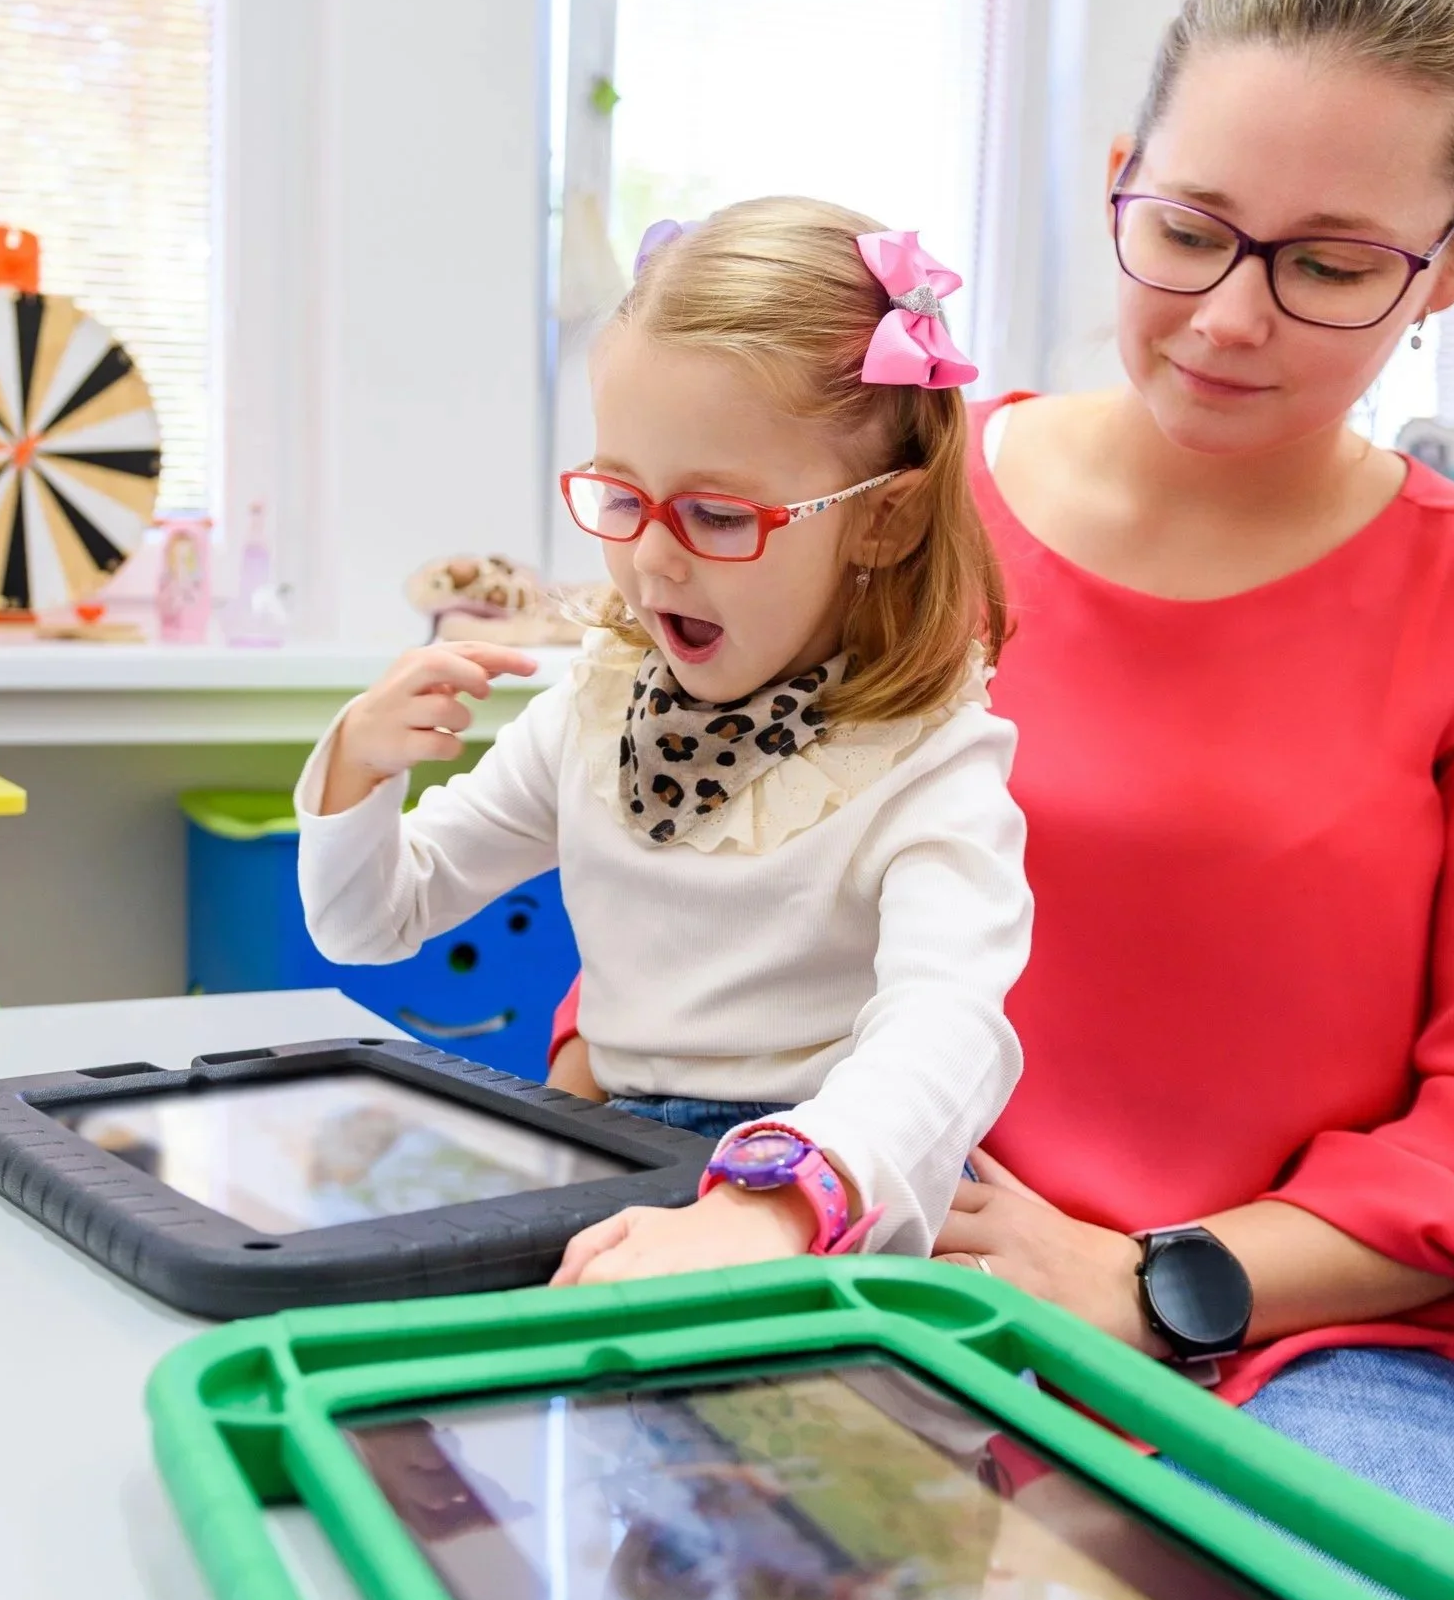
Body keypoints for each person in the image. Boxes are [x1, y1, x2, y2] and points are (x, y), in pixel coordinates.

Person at [546, 0, 1454, 1570]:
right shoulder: (898, 510)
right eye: (1189, 228)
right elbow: (695, 828)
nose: (1225, 316)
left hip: (1304, 1336)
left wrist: (1152, 1276)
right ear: (1116, 177)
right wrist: (622, 1064)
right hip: (842, 1235)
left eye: (1329, 265)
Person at [297, 197, 1030, 1264]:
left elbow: (944, 1035)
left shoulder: (930, 765)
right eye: (619, 496)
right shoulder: (597, 712)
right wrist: (359, 767)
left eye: (719, 516)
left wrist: (779, 1201)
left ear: (885, 517)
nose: (652, 559)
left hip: (829, 1187)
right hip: (613, 1152)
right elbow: (371, 921)